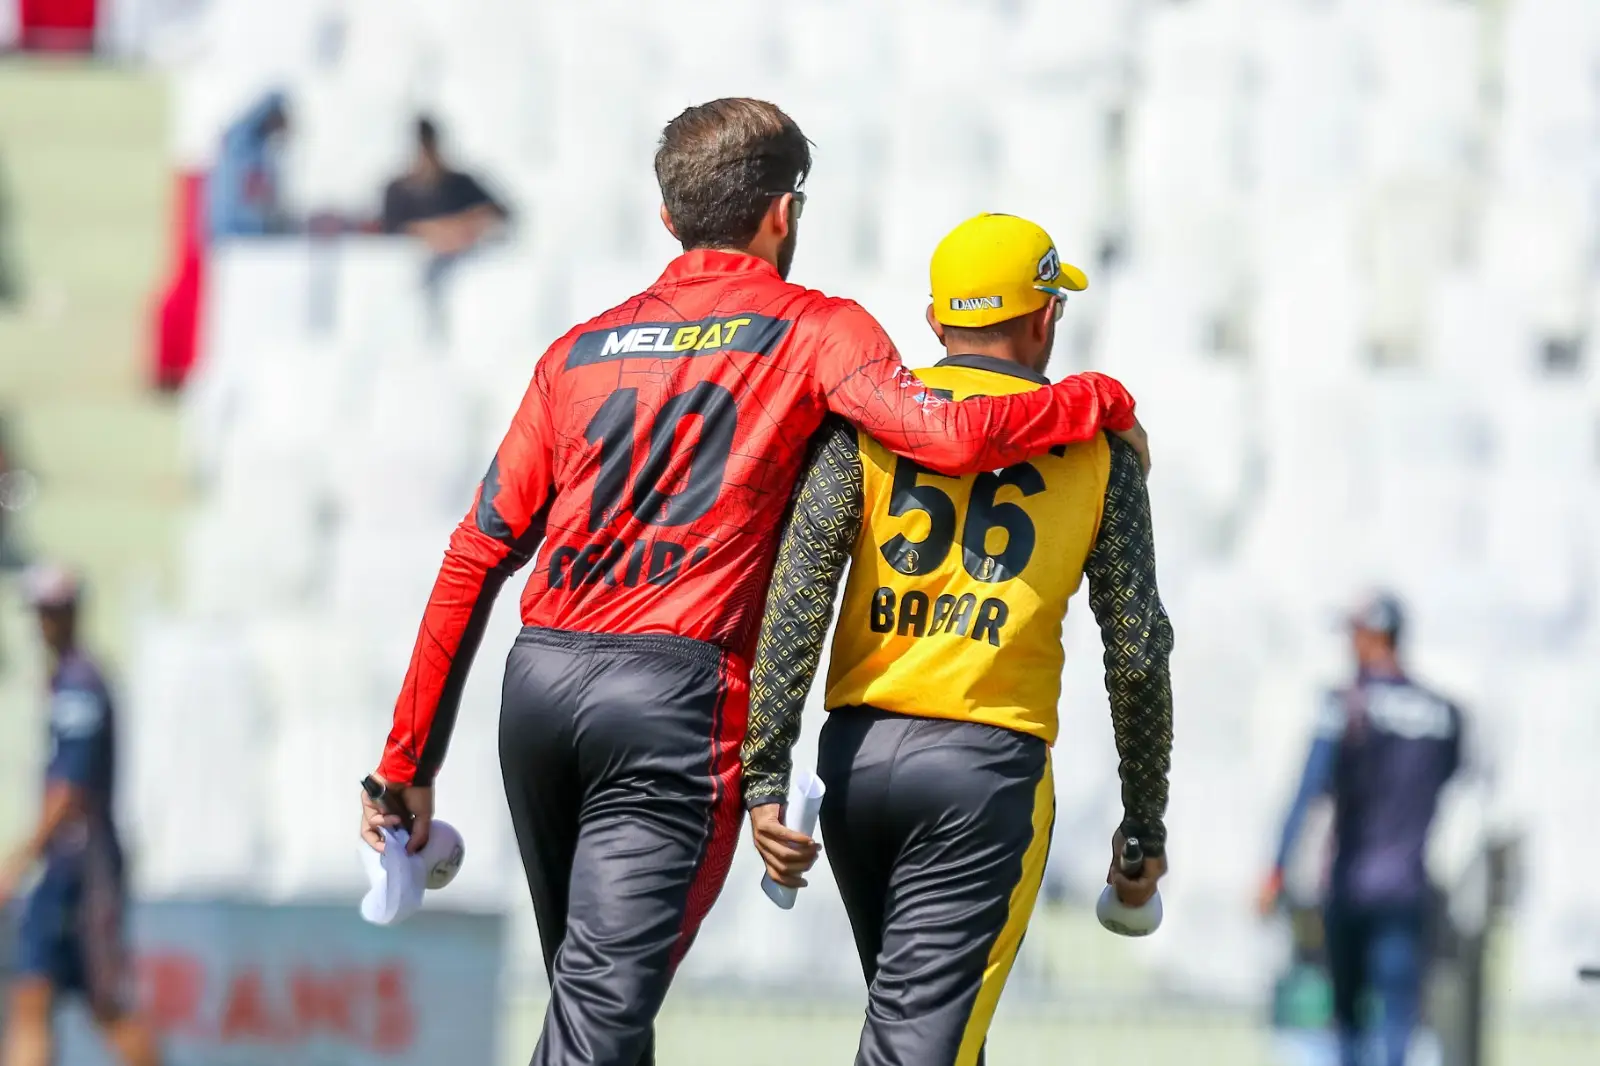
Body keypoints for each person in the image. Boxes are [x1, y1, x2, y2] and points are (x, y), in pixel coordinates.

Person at [358, 99, 1151, 1066]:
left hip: (539, 692)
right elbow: (944, 436)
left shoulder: (578, 349)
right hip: (671, 702)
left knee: (593, 1006)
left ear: (668, 218)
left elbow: (475, 554)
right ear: (783, 214)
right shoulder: (820, 329)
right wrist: (1098, 398)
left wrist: (405, 765)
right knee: (599, 1018)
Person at [742, 213, 1176, 1066]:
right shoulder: (1100, 448)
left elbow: (798, 596)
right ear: (1045, 318)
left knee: (937, 1037)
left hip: (857, 767)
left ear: (937, 322)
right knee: (922, 1048)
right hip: (984, 777)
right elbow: (1135, 650)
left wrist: (764, 770)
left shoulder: (869, 421)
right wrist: (1143, 826)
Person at [1259, 593, 1464, 1066]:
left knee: (1350, 1027)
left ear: (1373, 636)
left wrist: (1276, 869)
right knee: (1397, 1025)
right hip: (1408, 888)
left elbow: (1307, 790)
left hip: (1350, 887)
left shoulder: (1345, 703)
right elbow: (1455, 780)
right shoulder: (1443, 713)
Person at [0, 566, 161, 1066]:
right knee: (31, 998)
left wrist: (18, 861)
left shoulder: (79, 685)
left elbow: (68, 791)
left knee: (106, 1005)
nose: (45, 624)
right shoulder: (64, 682)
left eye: (52, 612)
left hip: (82, 871)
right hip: (61, 869)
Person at [381, 116, 509, 259]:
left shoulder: (460, 184)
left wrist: (464, 225)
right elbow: (389, 232)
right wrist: (430, 231)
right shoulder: (398, 191)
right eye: (422, 151)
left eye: (429, 149)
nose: (426, 158)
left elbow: (499, 213)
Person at [206, 91, 290, 240]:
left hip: (248, 231)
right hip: (230, 229)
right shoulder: (240, 141)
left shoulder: (262, 148)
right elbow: (251, 188)